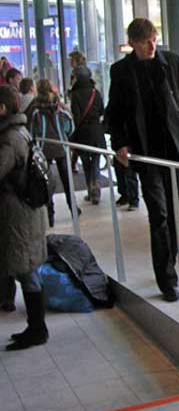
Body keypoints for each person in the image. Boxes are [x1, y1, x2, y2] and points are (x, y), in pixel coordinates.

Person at [105, 18, 179, 302]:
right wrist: (119, 143)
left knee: (177, 213)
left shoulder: (171, 61)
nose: (152, 46)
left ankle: (168, 262)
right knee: (159, 214)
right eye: (145, 42)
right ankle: (167, 278)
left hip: (176, 147)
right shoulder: (121, 71)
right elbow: (114, 112)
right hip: (146, 152)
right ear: (133, 43)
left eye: (154, 39)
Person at [0, 85, 49, 350]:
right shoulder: (21, 131)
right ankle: (35, 327)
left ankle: (38, 330)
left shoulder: (9, 139)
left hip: (18, 216)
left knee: (27, 272)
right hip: (25, 213)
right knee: (26, 270)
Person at [26, 78, 76, 228]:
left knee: (46, 182)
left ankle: (50, 214)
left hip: (43, 148)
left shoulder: (34, 107)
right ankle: (73, 208)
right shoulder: (59, 105)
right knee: (67, 179)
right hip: (60, 146)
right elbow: (69, 126)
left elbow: (31, 130)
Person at [69, 66, 106, 205]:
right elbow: (102, 110)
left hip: (82, 133)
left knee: (86, 162)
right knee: (96, 159)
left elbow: (76, 117)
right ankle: (96, 187)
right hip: (96, 131)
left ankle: (90, 192)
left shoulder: (75, 95)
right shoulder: (95, 92)